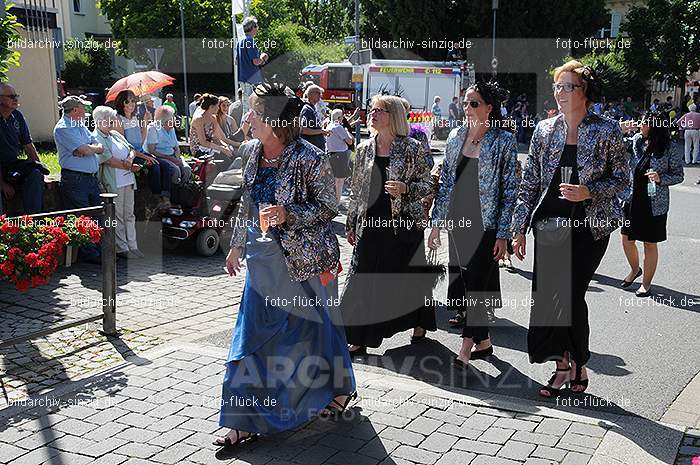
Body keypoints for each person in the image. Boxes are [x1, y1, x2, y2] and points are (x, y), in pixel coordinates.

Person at [215, 82, 355, 446]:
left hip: (304, 261)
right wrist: (234, 248)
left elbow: (328, 207)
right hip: (262, 264)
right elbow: (246, 204)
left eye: (254, 112)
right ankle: (243, 419)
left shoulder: (309, 157)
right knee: (252, 339)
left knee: (317, 330)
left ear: (274, 121)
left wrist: (287, 213)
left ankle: (339, 390)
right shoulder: (250, 152)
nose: (247, 117)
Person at [512, 60, 629, 397]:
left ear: (585, 92)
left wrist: (589, 191)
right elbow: (530, 183)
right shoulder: (544, 130)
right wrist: (519, 228)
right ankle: (563, 364)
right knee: (550, 298)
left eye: (568, 87)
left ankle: (578, 359)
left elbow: (622, 177)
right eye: (557, 87)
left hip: (590, 227)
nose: (561, 93)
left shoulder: (607, 130)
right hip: (550, 225)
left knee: (573, 294)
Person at [428, 81, 518, 367]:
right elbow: (445, 183)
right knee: (468, 283)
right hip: (458, 221)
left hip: (486, 224)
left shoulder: (503, 140)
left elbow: (510, 190)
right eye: (465, 103)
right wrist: (436, 223)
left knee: (478, 284)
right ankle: (485, 343)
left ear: (489, 107)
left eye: (474, 103)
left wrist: (504, 234)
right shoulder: (455, 136)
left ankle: (466, 347)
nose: (467, 108)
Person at [341, 95, 435, 355]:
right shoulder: (363, 149)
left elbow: (428, 185)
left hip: (403, 225)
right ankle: (358, 337)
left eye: (379, 110)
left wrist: (406, 188)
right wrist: (351, 222)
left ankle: (419, 322)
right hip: (370, 223)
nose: (372, 114)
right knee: (361, 277)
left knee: (408, 278)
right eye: (371, 110)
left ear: (392, 115)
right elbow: (357, 190)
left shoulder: (412, 148)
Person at [620, 112, 683, 296]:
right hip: (633, 199)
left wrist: (660, 178)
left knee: (649, 243)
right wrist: (621, 129)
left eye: (644, 123)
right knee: (626, 239)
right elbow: (615, 143)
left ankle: (646, 284)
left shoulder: (669, 147)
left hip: (654, 203)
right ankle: (634, 269)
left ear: (655, 126)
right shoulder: (637, 140)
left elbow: (679, 174)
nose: (640, 126)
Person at [54, 96, 105, 264]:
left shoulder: (79, 125)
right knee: (82, 217)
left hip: (89, 179)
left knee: (97, 215)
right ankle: (91, 254)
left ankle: (98, 250)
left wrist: (88, 149)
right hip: (75, 180)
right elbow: (84, 148)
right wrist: (86, 149)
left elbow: (98, 145)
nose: (86, 111)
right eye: (83, 108)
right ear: (75, 110)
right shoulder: (63, 128)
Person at [92, 106, 144, 259]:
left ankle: (133, 246)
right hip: (113, 182)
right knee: (118, 216)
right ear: (99, 121)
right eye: (108, 121)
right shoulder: (96, 137)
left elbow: (132, 149)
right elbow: (107, 159)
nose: (112, 124)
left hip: (127, 179)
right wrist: (128, 165)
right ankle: (122, 248)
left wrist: (129, 159)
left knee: (129, 214)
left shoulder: (115, 134)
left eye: (112, 121)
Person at [113, 90, 171, 208]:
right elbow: (126, 146)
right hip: (131, 155)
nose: (131, 104)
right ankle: (156, 198)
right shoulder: (118, 120)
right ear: (121, 103)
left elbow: (141, 139)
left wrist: (145, 122)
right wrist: (144, 156)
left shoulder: (134, 118)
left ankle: (165, 196)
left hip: (141, 152)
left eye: (133, 101)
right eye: (127, 101)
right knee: (154, 167)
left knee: (167, 167)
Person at [0, 83, 45, 214]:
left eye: (16, 96)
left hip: (12, 165)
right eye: (11, 96)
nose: (15, 99)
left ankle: (34, 222)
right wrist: (2, 184)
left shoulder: (17, 117)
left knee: (35, 174)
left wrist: (40, 168)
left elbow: (28, 146)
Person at [144, 106, 192, 186]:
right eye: (173, 117)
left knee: (187, 169)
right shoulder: (153, 129)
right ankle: (172, 192)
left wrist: (177, 157)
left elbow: (176, 147)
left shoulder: (172, 129)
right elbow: (151, 150)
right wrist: (170, 158)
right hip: (160, 157)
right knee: (176, 171)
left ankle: (182, 189)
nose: (175, 118)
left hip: (173, 156)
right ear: (165, 120)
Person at [236, 16, 269, 111]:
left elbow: (237, 60)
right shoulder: (250, 41)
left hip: (243, 79)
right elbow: (256, 62)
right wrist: (263, 57)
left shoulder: (240, 42)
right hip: (251, 80)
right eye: (256, 26)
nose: (257, 28)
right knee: (252, 109)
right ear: (252, 27)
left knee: (247, 108)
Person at [190, 94, 235, 160]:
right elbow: (203, 142)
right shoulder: (199, 119)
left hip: (209, 145)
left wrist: (225, 146)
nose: (218, 108)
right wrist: (222, 149)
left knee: (230, 152)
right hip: (199, 148)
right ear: (211, 107)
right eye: (217, 106)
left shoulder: (213, 118)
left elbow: (217, 138)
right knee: (222, 157)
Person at [325, 109, 353, 201]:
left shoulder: (329, 125)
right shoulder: (338, 127)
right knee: (340, 181)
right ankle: (337, 202)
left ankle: (334, 200)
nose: (343, 118)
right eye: (342, 116)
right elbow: (349, 141)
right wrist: (346, 131)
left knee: (334, 180)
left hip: (331, 154)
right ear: (339, 117)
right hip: (340, 155)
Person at [300, 85, 327, 152]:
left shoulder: (313, 108)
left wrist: (323, 128)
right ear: (310, 94)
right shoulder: (307, 110)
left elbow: (313, 128)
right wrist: (321, 131)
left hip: (317, 149)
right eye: (317, 93)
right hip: (311, 151)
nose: (320, 95)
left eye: (320, 93)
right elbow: (303, 130)